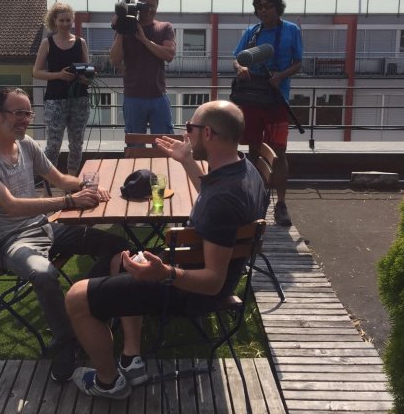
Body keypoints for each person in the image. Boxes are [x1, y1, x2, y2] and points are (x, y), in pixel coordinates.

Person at [64, 100, 268, 400]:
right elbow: (212, 200)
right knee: (121, 260)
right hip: (197, 270)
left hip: (195, 294)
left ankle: (109, 383)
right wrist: (186, 161)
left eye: (190, 128)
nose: (185, 134)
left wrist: (164, 272)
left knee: (76, 298)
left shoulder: (224, 197)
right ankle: (131, 358)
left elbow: (212, 281)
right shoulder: (244, 170)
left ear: (208, 133)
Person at [0, 87, 129, 382]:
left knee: (117, 246)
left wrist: (87, 186)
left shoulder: (26, 144)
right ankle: (66, 342)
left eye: (28, 112)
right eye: (18, 112)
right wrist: (68, 201)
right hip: (9, 242)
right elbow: (11, 207)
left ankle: (91, 310)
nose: (25, 119)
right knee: (44, 274)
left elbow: (61, 179)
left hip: (44, 228)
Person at [232, 0, 303, 227]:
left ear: (278, 7)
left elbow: (298, 62)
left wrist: (280, 76)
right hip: (252, 100)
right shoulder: (252, 32)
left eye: (268, 6)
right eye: (259, 7)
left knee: (279, 153)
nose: (263, 11)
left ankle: (280, 204)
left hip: (277, 100)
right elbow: (237, 58)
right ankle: (254, 201)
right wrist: (240, 68)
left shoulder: (292, 30)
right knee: (252, 152)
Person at [33, 2, 91, 175]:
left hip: (79, 99)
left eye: (68, 20)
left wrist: (84, 78)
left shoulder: (81, 43)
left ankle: (71, 182)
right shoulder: (47, 43)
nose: (65, 24)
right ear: (55, 21)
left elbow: (88, 73)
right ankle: (48, 187)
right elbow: (36, 72)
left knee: (76, 143)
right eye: (62, 20)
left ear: (72, 21)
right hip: (55, 99)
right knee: (52, 145)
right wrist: (58, 75)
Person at [109, 0, 176, 136]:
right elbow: (114, 60)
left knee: (163, 145)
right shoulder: (127, 28)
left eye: (153, 5)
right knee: (134, 146)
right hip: (133, 96)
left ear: (157, 6)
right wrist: (121, 28)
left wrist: (144, 40)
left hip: (158, 95)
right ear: (138, 4)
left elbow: (169, 55)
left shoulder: (165, 27)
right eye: (145, 4)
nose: (149, 9)